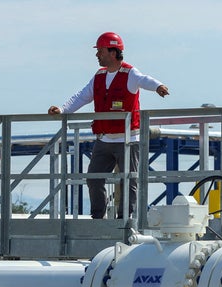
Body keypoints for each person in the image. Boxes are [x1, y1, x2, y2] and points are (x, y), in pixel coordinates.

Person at [48, 32, 169, 219]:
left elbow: (145, 80)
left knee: (129, 180)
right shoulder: (99, 76)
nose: (97, 55)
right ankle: (98, 217)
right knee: (93, 179)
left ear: (113, 52)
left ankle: (125, 218)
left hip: (128, 139)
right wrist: (63, 110)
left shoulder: (130, 74)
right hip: (104, 139)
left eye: (101, 51)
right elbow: (82, 96)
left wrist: (159, 86)